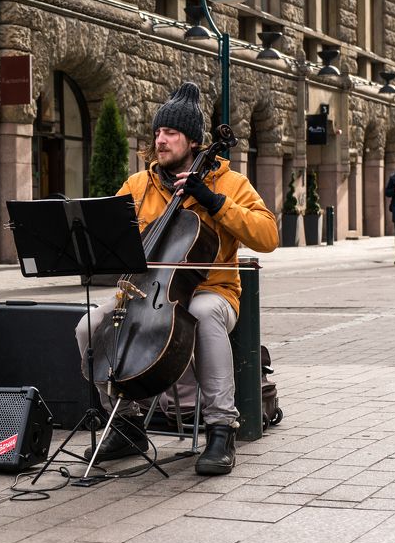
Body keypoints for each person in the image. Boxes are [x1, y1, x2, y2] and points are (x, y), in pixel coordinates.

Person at [75, 82, 278, 476]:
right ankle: (128, 422)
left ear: (195, 142)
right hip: (143, 292)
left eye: (171, 133)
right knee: (88, 328)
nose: (161, 141)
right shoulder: (139, 184)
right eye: (157, 133)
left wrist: (214, 202)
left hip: (213, 291)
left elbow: (267, 236)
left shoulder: (229, 183)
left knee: (201, 314)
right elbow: (112, 237)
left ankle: (221, 427)